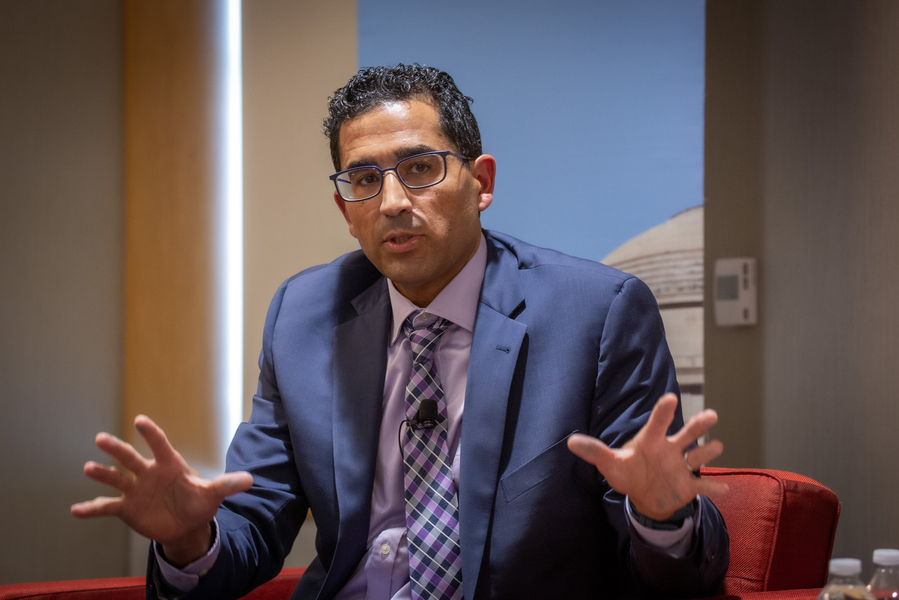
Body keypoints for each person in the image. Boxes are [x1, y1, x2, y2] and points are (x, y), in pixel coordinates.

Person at [73, 64, 730, 600]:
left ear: (482, 183)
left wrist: (661, 517)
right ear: (346, 210)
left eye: (420, 168)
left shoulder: (597, 313)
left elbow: (674, 575)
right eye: (364, 180)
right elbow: (252, 528)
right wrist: (190, 537)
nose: (391, 202)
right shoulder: (303, 317)